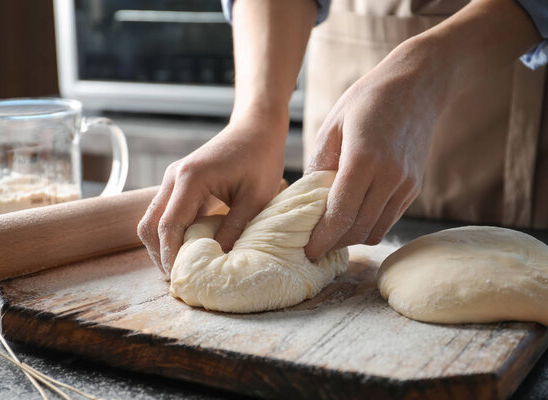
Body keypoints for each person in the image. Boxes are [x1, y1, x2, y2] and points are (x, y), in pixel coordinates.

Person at [138, 0, 548, 276]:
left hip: (515, 81)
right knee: (333, 208)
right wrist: (258, 115)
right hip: (350, 42)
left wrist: (429, 72)